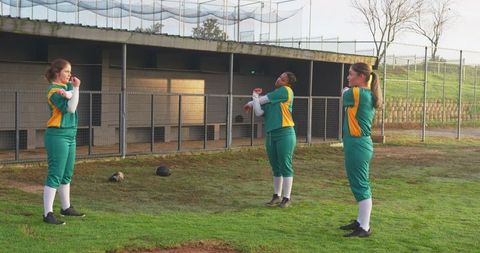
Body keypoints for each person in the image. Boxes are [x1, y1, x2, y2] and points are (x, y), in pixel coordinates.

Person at [339, 62, 383, 237]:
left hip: (358, 144)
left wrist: (345, 91)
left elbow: (344, 95)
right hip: (357, 144)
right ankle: (360, 221)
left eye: (351, 74)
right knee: (358, 182)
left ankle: (364, 227)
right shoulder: (363, 93)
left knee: (360, 184)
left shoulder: (357, 92)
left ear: (362, 77)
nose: (348, 77)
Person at [244, 72, 297, 208]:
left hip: (285, 132)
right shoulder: (272, 98)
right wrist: (255, 96)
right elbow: (259, 112)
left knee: (285, 164)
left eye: (283, 79)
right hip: (271, 134)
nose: (279, 79)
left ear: (288, 84)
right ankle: (276, 196)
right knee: (275, 166)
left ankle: (287, 198)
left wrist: (251, 102)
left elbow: (261, 101)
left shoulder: (285, 91)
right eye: (279, 77)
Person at [43, 58, 85, 225]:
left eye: (70, 71)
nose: (69, 74)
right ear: (57, 72)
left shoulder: (67, 87)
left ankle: (65, 208)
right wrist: (75, 89)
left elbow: (72, 97)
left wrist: (74, 90)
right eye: (66, 71)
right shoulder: (53, 90)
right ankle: (47, 213)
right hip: (57, 135)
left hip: (70, 134)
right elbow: (71, 108)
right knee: (55, 174)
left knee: (67, 173)